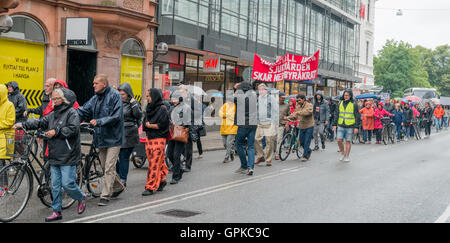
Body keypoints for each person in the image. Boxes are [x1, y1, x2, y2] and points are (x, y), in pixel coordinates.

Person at [15, 88, 86, 222]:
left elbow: (73, 129)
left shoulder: (72, 113)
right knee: (55, 185)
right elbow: (40, 122)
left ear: (63, 100)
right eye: (52, 99)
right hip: (55, 154)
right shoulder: (53, 114)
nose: (52, 101)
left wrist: (56, 131)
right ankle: (56, 211)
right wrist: (23, 124)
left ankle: (81, 197)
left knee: (68, 184)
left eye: (55, 99)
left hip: (68, 154)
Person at [76, 74, 125, 206]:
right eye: (93, 83)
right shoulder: (95, 98)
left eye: (96, 83)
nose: (93, 85)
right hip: (101, 137)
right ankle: (119, 187)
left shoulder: (115, 96)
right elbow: (83, 110)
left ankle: (105, 195)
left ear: (104, 84)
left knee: (109, 167)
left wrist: (99, 121)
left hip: (114, 137)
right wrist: (71, 116)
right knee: (104, 167)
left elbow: (116, 116)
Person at [141, 88, 170, 196]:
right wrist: (147, 126)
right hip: (149, 139)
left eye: (148, 96)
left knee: (154, 164)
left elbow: (163, 125)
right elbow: (144, 123)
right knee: (157, 162)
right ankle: (162, 180)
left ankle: (150, 187)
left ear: (155, 96)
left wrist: (150, 125)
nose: (147, 98)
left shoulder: (162, 109)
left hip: (159, 139)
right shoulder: (148, 108)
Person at [116, 83, 143, 187]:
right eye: (119, 94)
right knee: (113, 157)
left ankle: (123, 179)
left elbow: (138, 115)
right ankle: (118, 175)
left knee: (124, 157)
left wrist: (134, 104)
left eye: (122, 94)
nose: (121, 96)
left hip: (130, 134)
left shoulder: (134, 102)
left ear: (128, 94)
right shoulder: (117, 102)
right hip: (118, 132)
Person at [234, 82, 257, 175]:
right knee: (251, 146)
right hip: (253, 124)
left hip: (243, 124)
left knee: (238, 144)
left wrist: (236, 89)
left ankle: (244, 165)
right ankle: (250, 167)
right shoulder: (254, 97)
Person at [178, 86, 203, 173]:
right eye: (179, 91)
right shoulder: (180, 99)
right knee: (180, 146)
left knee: (188, 147)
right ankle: (183, 160)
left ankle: (188, 165)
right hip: (180, 125)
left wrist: (190, 113)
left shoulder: (192, 99)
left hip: (189, 126)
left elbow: (199, 111)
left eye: (182, 91)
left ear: (186, 91)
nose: (180, 93)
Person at [332, 89, 361, 163]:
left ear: (350, 96)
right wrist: (334, 124)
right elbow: (336, 114)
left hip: (350, 126)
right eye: (345, 95)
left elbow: (357, 116)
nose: (346, 96)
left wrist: (356, 127)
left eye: (347, 95)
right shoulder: (340, 103)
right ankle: (343, 153)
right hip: (341, 125)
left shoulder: (354, 104)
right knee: (339, 140)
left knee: (348, 141)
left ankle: (347, 156)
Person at [254, 84, 278, 167]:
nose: (261, 91)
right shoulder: (258, 98)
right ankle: (261, 156)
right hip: (260, 122)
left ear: (266, 90)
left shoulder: (271, 98)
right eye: (259, 90)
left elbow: (275, 110)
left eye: (262, 90)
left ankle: (268, 159)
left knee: (269, 141)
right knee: (256, 139)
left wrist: (273, 122)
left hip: (269, 123)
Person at [166, 92, 187, 184]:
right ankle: (180, 169)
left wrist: (179, 124)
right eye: (173, 98)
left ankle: (176, 176)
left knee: (176, 155)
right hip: (171, 134)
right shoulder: (170, 108)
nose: (173, 100)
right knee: (169, 154)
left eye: (176, 98)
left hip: (180, 133)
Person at [288, 94, 314, 162]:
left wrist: (298, 113)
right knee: (301, 142)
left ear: (303, 99)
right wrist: (289, 117)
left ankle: (305, 156)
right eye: (297, 100)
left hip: (309, 126)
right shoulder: (298, 106)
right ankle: (308, 150)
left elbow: (308, 112)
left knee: (306, 142)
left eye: (299, 100)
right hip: (301, 126)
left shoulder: (309, 105)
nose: (298, 101)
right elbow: (294, 114)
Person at [0, 84, 16, 195]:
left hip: (5, 137)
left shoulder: (9, 105)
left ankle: (4, 187)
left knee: (1, 163)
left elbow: (10, 121)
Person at [219, 95, 238, 163]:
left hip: (232, 128)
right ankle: (231, 151)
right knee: (225, 144)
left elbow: (233, 116)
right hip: (224, 128)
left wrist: (226, 114)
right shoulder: (225, 105)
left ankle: (226, 157)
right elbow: (220, 113)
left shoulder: (236, 106)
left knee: (229, 143)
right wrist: (227, 114)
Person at [275, 93, 290, 161]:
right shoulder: (274, 104)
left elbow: (289, 115)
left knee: (279, 139)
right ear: (278, 97)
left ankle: (277, 153)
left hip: (281, 124)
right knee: (272, 140)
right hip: (273, 124)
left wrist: (287, 123)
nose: (283, 99)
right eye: (282, 98)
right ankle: (271, 152)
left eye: (284, 98)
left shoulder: (287, 105)